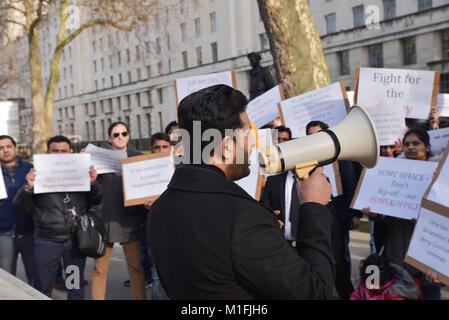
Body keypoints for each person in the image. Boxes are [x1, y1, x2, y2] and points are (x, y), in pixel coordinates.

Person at [148, 84, 335, 299]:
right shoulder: (244, 220)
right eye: (247, 134)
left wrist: (265, 234)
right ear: (226, 147)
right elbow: (317, 293)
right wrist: (313, 207)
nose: (253, 143)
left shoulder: (160, 207)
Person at [13, 135, 102, 300]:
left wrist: (93, 183)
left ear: (70, 152)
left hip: (74, 243)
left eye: (63, 151)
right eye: (55, 151)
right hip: (47, 243)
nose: (60, 154)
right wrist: (28, 187)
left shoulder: (82, 173)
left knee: (74, 287)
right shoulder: (35, 175)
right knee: (42, 289)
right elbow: (19, 207)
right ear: (48, 152)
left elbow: (97, 200)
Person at [363, 128, 443, 300]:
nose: (410, 147)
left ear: (427, 147)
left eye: (416, 143)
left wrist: (423, 219)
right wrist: (376, 215)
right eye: (406, 144)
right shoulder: (395, 173)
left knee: (429, 293)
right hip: (396, 255)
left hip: (426, 258)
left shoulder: (440, 177)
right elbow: (388, 212)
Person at [91, 122, 148, 300]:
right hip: (105, 220)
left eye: (123, 133)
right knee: (100, 269)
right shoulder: (97, 159)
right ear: (109, 138)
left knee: (135, 267)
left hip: (129, 220)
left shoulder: (138, 157)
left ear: (128, 136)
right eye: (116, 135)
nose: (120, 137)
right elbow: (92, 190)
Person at [305, 120, 360, 300]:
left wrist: (351, 216)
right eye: (310, 136)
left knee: (340, 261)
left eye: (318, 135)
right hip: (314, 217)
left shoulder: (340, 159)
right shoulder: (305, 160)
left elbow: (350, 187)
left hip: (338, 220)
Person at [0, 135, 35, 285]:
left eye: (8, 146)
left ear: (15, 148)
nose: (5, 150)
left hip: (29, 231)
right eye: (1, 148)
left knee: (36, 277)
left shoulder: (30, 169)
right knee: (7, 281)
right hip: (4, 233)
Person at [350, 254, 420, 300]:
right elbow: (356, 296)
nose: (368, 285)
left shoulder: (395, 294)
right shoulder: (365, 283)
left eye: (372, 283)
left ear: (385, 280)